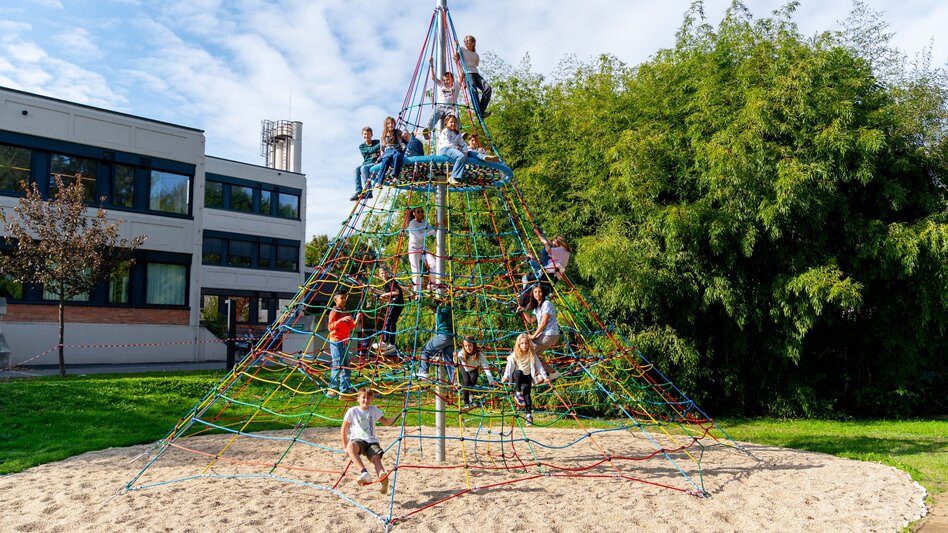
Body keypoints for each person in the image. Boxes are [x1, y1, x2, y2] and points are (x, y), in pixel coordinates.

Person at [341, 387, 404, 494]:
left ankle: (383, 478)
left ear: (372, 400)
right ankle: (364, 472)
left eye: (368, 398)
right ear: (358, 399)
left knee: (376, 459)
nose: (366, 400)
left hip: (371, 442)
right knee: (350, 446)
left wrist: (399, 415)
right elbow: (343, 429)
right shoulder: (352, 411)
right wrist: (345, 446)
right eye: (363, 398)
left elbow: (386, 422)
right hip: (358, 441)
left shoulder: (373, 410)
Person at [501, 333, 548, 426]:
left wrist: (545, 377)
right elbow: (509, 366)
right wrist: (506, 376)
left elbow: (539, 366)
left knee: (527, 394)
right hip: (518, 377)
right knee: (518, 372)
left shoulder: (532, 354)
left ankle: (529, 415)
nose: (524, 345)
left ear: (529, 344)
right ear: (518, 345)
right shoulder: (515, 354)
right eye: (522, 343)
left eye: (526, 343)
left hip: (528, 377)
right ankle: (518, 393)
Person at [327, 291, 362, 397]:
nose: (344, 300)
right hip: (336, 341)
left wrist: (357, 319)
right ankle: (332, 389)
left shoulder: (347, 312)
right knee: (337, 364)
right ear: (335, 300)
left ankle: (344, 390)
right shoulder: (334, 311)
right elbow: (330, 327)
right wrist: (341, 320)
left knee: (346, 366)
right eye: (342, 298)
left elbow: (352, 326)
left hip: (344, 341)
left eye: (345, 298)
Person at [438, 114, 489, 185]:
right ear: (446, 123)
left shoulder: (457, 133)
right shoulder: (445, 131)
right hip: (445, 149)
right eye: (451, 122)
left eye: (455, 122)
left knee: (469, 152)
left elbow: (463, 144)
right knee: (461, 156)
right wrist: (460, 150)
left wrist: (465, 152)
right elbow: (448, 143)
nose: (453, 124)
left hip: (454, 150)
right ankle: (453, 176)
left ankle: (483, 157)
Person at [415, 299, 454, 382]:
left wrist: (439, 307)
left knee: (425, 351)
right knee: (449, 361)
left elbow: (440, 314)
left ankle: (423, 372)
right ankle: (455, 382)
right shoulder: (450, 310)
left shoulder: (440, 311)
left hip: (443, 336)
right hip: (451, 337)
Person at [454, 35, 492, 117]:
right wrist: (455, 47)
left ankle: (481, 110)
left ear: (473, 43)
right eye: (465, 41)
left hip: (476, 73)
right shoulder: (461, 50)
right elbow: (455, 59)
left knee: (488, 88)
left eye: (468, 41)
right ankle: (479, 112)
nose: (466, 42)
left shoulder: (476, 55)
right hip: (467, 73)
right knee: (473, 91)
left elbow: (476, 65)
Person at [404, 207, 439, 295]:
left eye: (421, 211)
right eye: (418, 212)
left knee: (434, 263)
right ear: (414, 214)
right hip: (413, 250)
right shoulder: (412, 223)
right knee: (416, 271)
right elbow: (419, 236)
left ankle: (432, 284)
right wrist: (432, 231)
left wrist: (439, 228)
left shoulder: (424, 222)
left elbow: (433, 232)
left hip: (422, 248)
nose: (420, 213)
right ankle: (417, 292)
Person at [454, 336, 496, 408]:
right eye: (466, 346)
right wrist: (455, 357)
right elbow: (456, 363)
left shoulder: (479, 354)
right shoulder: (461, 353)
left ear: (474, 344)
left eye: (470, 345)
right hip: (464, 367)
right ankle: (466, 403)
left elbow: (486, 367)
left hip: (474, 367)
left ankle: (470, 394)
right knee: (466, 381)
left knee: (473, 381)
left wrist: (491, 381)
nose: (468, 348)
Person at [372, 267, 404, 354]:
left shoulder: (390, 281)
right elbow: (399, 289)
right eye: (381, 273)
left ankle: (385, 341)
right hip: (399, 302)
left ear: (388, 273)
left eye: (384, 273)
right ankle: (391, 343)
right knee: (392, 322)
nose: (383, 275)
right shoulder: (388, 283)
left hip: (396, 301)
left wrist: (384, 294)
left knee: (388, 320)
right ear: (379, 275)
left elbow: (396, 292)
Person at [428, 59, 460, 130]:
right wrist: (431, 65)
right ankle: (428, 129)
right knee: (433, 115)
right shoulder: (441, 85)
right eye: (444, 80)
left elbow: (461, 76)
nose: (446, 81)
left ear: (452, 79)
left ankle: (458, 132)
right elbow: (433, 77)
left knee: (455, 116)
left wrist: (458, 63)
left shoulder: (456, 86)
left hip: (450, 108)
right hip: (440, 107)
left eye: (448, 79)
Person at [351, 127, 380, 201]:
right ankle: (358, 191)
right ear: (362, 135)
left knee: (363, 168)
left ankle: (368, 190)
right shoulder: (362, 146)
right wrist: (379, 146)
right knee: (356, 169)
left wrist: (380, 144)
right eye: (365, 134)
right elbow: (370, 150)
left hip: (375, 162)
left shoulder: (376, 142)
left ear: (371, 135)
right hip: (366, 163)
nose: (366, 136)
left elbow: (379, 148)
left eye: (368, 134)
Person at [376, 116, 405, 185]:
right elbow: (382, 148)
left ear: (394, 124)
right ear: (386, 125)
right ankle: (380, 181)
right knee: (385, 160)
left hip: (397, 150)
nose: (390, 125)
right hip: (388, 152)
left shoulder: (397, 132)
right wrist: (382, 156)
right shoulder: (384, 135)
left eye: (392, 123)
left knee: (397, 156)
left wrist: (405, 133)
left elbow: (403, 136)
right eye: (388, 123)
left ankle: (395, 178)